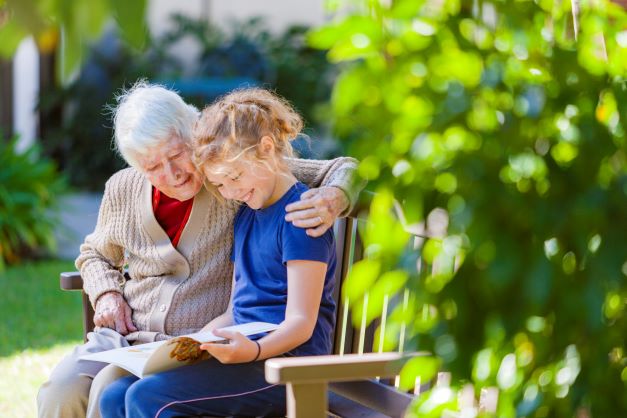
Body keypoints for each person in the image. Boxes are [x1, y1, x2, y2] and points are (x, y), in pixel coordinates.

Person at [37, 81, 360, 418]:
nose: (172, 174)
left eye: (176, 155)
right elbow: (95, 254)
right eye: (152, 167)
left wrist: (335, 196)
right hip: (127, 339)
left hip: (196, 346)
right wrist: (106, 294)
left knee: (112, 389)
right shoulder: (130, 189)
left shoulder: (239, 177)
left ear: (194, 135)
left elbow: (337, 169)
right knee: (62, 390)